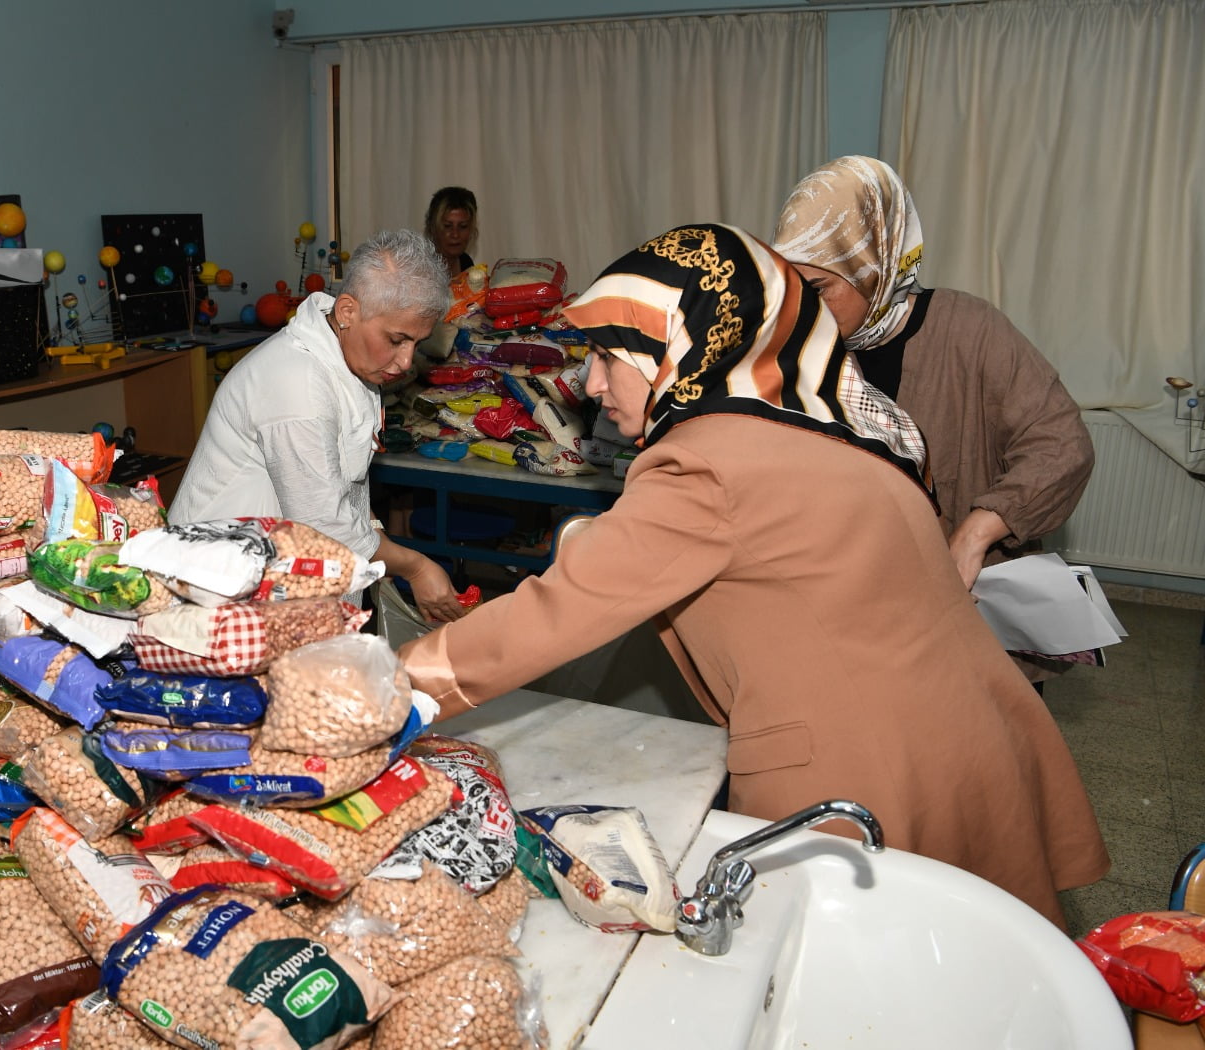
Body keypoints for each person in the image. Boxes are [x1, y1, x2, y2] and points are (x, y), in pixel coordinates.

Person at [398, 223, 1108, 929]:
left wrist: (379, 695)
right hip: (969, 743)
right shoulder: (826, 429)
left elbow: (551, 616)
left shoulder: (707, 460)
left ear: (679, 347)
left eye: (613, 357)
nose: (590, 383)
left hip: (863, 774)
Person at [771, 157, 1093, 624]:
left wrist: (976, 532)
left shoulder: (970, 329)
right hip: (855, 599)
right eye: (794, 290)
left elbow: (1063, 447)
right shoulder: (802, 351)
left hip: (969, 606)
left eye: (819, 288)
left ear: (873, 265)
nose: (807, 310)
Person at [170, 229, 466, 623]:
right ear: (346, 312)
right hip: (219, 591)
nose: (407, 361)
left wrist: (378, 554)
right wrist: (413, 566)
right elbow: (324, 524)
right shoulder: (297, 383)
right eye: (397, 340)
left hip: (277, 577)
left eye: (416, 343)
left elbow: (346, 490)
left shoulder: (347, 355)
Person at [423, 186, 477, 277]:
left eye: (463, 226)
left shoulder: (466, 262)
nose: (455, 234)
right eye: (447, 226)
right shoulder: (420, 268)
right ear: (432, 228)